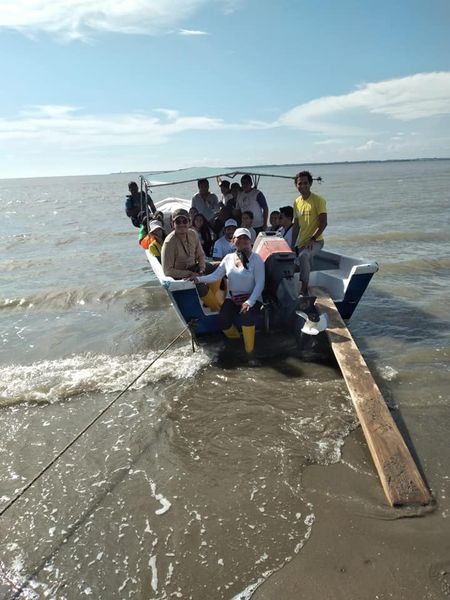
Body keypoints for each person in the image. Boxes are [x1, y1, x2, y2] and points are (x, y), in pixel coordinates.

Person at [191, 227, 265, 354]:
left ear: (250, 241)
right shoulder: (228, 258)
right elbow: (215, 276)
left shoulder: (257, 259)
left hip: (253, 298)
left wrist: (249, 302)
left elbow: (260, 283)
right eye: (238, 238)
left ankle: (249, 351)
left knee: (246, 315)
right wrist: (198, 279)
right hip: (233, 298)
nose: (242, 240)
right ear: (233, 240)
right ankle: (236, 341)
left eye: (245, 238)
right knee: (223, 319)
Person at [161, 208, 221, 311]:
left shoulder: (193, 234)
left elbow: (201, 255)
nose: (182, 224)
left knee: (220, 266)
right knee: (199, 282)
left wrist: (201, 269)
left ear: (189, 222)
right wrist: (190, 274)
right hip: (180, 275)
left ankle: (212, 299)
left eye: (184, 221)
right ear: (172, 224)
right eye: (178, 222)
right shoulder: (169, 243)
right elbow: (167, 271)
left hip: (195, 268)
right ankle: (216, 308)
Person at [291, 171, 328, 295]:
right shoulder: (297, 202)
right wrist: (292, 245)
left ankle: (304, 289)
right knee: (289, 264)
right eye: (300, 183)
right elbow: (296, 225)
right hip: (301, 242)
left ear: (310, 184)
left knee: (304, 256)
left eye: (305, 183)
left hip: (316, 241)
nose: (303, 186)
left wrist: (312, 239)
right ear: (296, 185)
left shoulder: (319, 200)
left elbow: (324, 223)